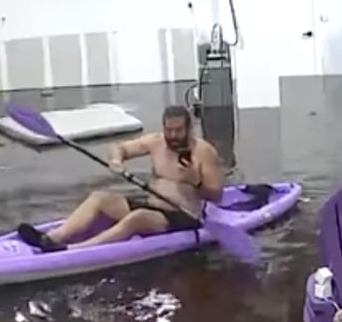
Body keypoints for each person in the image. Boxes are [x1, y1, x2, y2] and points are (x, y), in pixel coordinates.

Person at [18, 105, 224, 252]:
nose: (173, 135)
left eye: (178, 130)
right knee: (100, 197)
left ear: (189, 128)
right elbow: (121, 147)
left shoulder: (204, 152)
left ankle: (72, 249)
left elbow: (216, 196)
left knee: (137, 217)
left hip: (183, 217)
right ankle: (51, 238)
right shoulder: (156, 142)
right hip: (152, 205)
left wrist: (194, 181)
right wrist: (116, 160)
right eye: (169, 130)